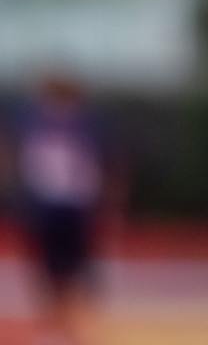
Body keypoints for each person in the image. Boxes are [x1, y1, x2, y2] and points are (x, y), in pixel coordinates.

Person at [3, 77, 109, 345]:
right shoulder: (30, 123)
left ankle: (66, 316)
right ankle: (50, 317)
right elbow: (14, 155)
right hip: (42, 203)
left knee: (73, 263)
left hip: (76, 203)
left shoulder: (88, 126)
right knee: (44, 262)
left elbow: (103, 163)